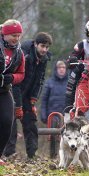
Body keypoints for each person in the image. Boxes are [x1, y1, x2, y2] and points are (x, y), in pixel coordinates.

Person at [4, 32, 52, 159]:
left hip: (28, 95)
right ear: (36, 44)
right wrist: (18, 105)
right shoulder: (24, 54)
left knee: (31, 121)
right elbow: (16, 82)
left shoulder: (44, 59)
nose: (44, 50)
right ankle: (9, 153)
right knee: (10, 121)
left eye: (47, 47)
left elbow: (40, 80)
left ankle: (32, 154)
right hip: (13, 91)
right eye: (42, 46)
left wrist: (33, 99)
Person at [0, 19, 25, 165]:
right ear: (5, 34)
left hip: (4, 90)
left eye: (18, 35)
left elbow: (21, 74)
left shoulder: (19, 53)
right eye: (13, 35)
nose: (16, 38)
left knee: (7, 121)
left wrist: (11, 78)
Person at [40, 60, 68, 158]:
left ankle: (66, 156)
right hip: (53, 114)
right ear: (56, 69)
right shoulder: (49, 82)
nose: (61, 69)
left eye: (63, 67)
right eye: (59, 67)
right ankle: (53, 155)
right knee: (53, 136)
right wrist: (43, 115)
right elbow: (44, 100)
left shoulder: (70, 82)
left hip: (66, 114)